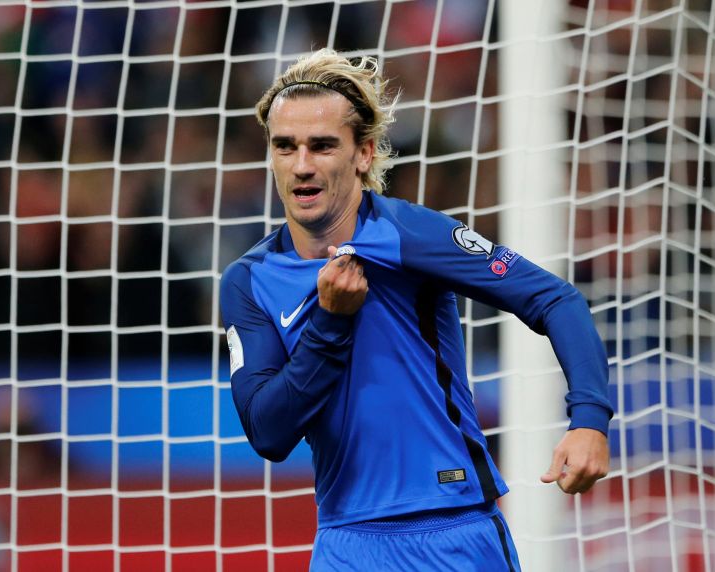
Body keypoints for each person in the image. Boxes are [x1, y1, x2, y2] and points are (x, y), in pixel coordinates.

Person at [220, 48, 613, 571]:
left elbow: (554, 298)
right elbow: (269, 432)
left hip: (453, 528)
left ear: (363, 154)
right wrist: (331, 322)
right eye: (285, 146)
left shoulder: (408, 234)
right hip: (345, 541)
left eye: (322, 145)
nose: (302, 165)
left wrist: (589, 420)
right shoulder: (250, 280)